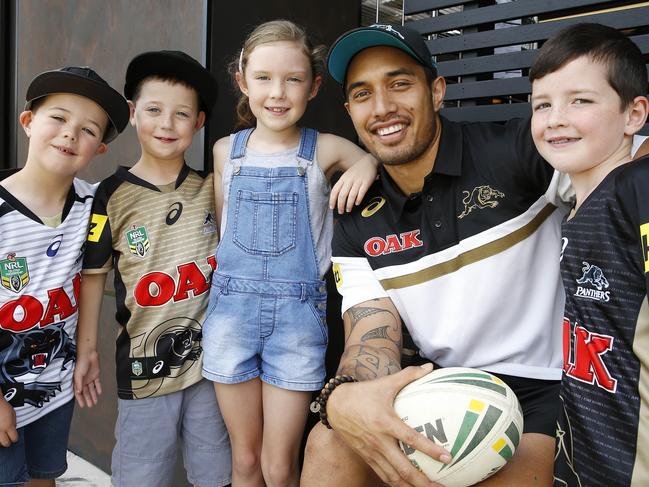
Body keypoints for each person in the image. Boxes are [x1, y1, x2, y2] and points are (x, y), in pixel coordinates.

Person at [301, 23, 575, 487]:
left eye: (400, 84)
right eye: (363, 94)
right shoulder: (355, 215)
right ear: (350, 111)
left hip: (545, 388)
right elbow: (373, 339)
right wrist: (345, 400)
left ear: (437, 91)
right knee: (328, 442)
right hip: (440, 387)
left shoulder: (514, 149)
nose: (383, 107)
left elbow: (618, 166)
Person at [200, 19, 378, 487]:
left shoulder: (323, 150)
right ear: (242, 81)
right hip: (230, 312)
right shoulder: (225, 151)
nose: (278, 92)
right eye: (263, 78)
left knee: (280, 467)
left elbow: (373, 154)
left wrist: (368, 163)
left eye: (293, 79)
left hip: (298, 319)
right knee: (244, 462)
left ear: (314, 86)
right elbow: (224, 228)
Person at [75, 51, 231, 487]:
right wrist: (87, 349)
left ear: (198, 123)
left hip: (211, 368)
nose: (167, 124)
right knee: (140, 477)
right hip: (144, 373)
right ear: (132, 112)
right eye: (155, 110)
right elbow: (93, 277)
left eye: (181, 114)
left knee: (216, 473)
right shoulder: (109, 197)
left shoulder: (213, 187)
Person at [529, 23, 649, 486]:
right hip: (588, 452)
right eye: (543, 105)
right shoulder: (574, 198)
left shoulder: (638, 188)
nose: (556, 117)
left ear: (633, 114)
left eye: (580, 100)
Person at [0, 67, 128, 486]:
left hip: (52, 385)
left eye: (88, 129)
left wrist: (87, 351)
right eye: (58, 117)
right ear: (28, 121)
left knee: (44, 476)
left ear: (100, 149)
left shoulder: (95, 205)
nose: (70, 134)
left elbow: (93, 276)